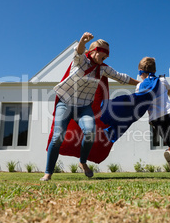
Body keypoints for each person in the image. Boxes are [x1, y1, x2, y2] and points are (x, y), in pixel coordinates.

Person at [40, 32, 139, 181]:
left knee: (90, 131)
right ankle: (48, 173)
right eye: (103, 53)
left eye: (107, 54)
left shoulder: (103, 69)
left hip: (83, 107)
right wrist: (82, 42)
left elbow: (121, 77)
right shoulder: (80, 61)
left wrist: (140, 84)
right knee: (58, 137)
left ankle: (83, 162)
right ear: (93, 52)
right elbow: (79, 51)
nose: (106, 56)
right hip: (65, 103)